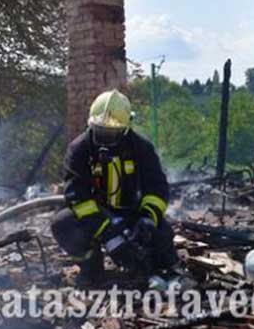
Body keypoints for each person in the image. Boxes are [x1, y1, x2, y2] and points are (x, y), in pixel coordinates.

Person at [51, 90, 177, 284]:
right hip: (95, 214)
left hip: (132, 212)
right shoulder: (79, 149)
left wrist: (147, 218)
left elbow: (157, 187)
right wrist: (108, 234)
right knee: (63, 224)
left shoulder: (141, 148)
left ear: (125, 129)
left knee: (163, 234)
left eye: (111, 134)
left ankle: (150, 269)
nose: (104, 139)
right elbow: (77, 196)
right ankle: (91, 270)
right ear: (90, 124)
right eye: (100, 132)